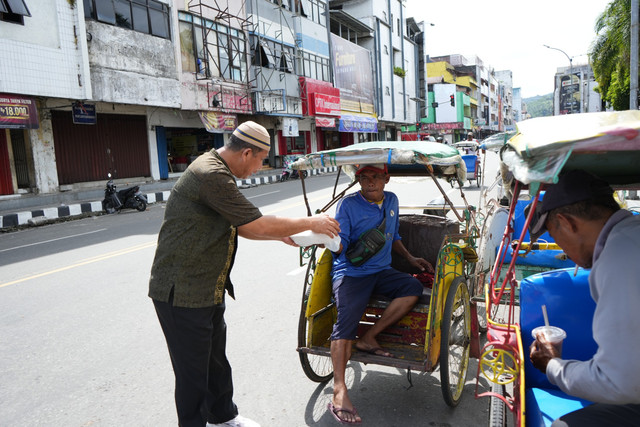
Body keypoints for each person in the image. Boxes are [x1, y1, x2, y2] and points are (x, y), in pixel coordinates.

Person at [148, 121, 340, 427]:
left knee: (215, 362)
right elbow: (257, 224)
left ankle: (223, 418)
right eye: (261, 159)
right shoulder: (211, 175)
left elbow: (244, 226)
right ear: (247, 152)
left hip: (207, 287)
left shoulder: (218, 171)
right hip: (180, 292)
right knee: (192, 375)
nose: (260, 166)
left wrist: (279, 235)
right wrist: (310, 223)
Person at [528, 170, 640, 426]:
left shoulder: (618, 258)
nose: (564, 252)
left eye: (557, 240)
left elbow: (617, 381)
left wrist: (553, 366)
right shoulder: (631, 236)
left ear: (568, 223)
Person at [327, 164, 433, 424]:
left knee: (412, 288)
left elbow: (392, 236)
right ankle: (339, 390)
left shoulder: (393, 200)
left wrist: (410, 258)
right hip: (351, 273)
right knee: (346, 321)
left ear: (386, 178)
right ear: (358, 180)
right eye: (364, 177)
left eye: (375, 177)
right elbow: (341, 245)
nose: (369, 182)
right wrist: (328, 238)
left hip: (381, 271)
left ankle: (370, 337)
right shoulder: (348, 205)